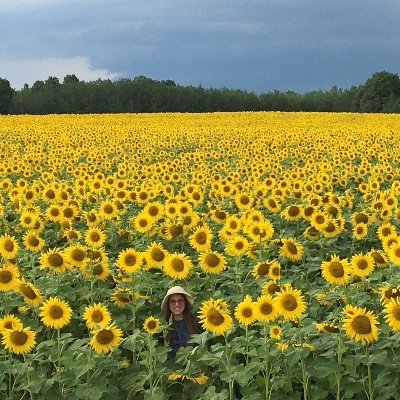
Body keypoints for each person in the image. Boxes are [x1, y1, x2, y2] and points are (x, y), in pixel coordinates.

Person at [161, 286, 202, 358]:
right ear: (168, 304)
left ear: (185, 302)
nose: (177, 304)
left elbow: (202, 348)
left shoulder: (196, 322)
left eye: (180, 301)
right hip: (170, 367)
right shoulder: (164, 325)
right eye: (173, 301)